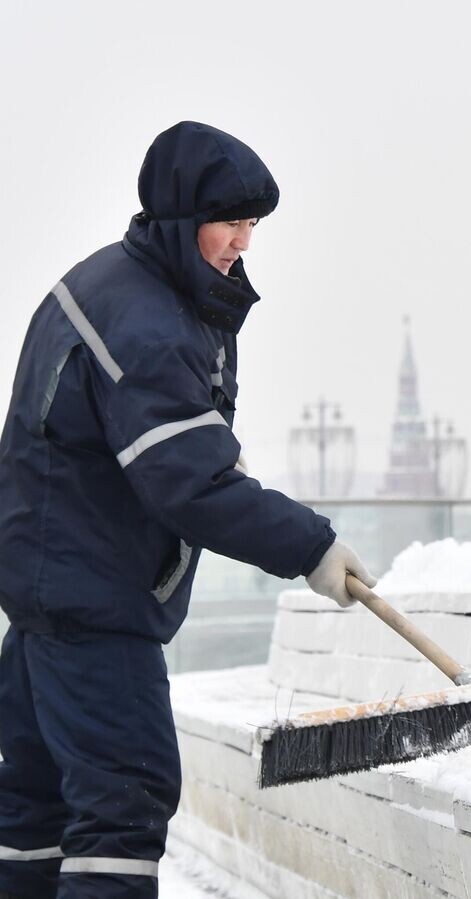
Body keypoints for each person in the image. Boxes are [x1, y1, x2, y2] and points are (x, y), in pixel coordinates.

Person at [0, 121, 376, 899]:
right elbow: (189, 487)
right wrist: (312, 545)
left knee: (30, 820)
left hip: (45, 603)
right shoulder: (145, 321)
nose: (243, 241)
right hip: (97, 612)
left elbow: (125, 445)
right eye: (229, 222)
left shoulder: (103, 285)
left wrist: (204, 448)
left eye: (252, 225)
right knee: (122, 815)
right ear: (178, 216)